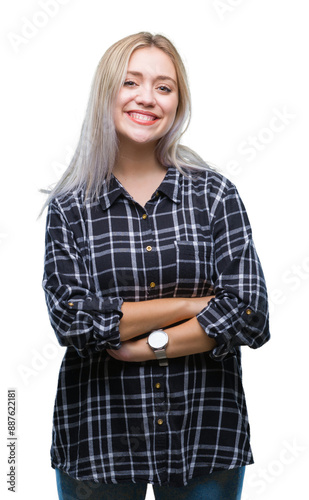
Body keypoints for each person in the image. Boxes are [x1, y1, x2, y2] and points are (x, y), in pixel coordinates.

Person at [42, 32, 270, 500]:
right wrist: (192, 303)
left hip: (205, 437)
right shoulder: (70, 208)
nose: (147, 97)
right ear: (107, 92)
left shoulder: (214, 195)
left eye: (164, 87)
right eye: (131, 82)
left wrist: (144, 347)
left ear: (178, 103)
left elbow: (250, 314)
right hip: (99, 440)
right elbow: (74, 320)